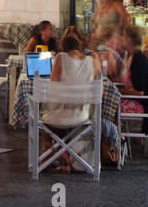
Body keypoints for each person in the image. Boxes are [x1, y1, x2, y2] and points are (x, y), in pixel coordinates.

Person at [41, 32, 113, 170]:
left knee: (47, 116)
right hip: (83, 115)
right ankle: (65, 154)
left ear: (63, 48)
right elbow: (99, 92)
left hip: (60, 116)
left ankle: (52, 151)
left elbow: (52, 87)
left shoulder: (60, 57)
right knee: (61, 115)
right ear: (80, 47)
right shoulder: (91, 60)